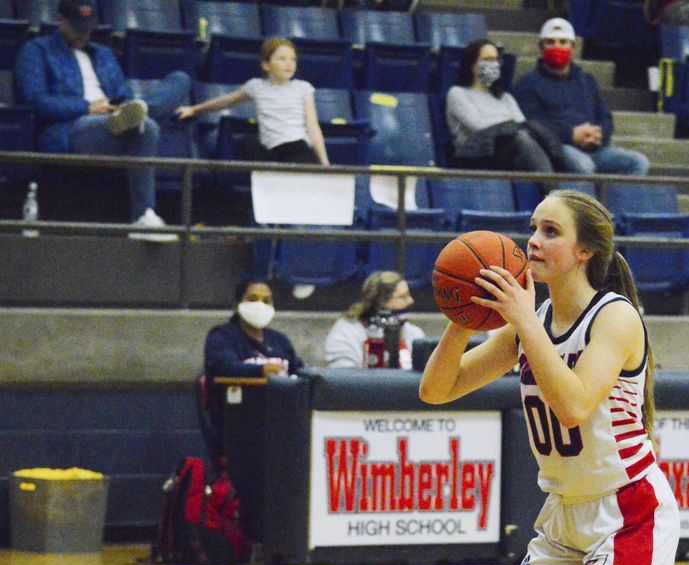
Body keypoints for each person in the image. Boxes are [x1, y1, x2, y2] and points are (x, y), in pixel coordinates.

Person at [419, 189, 680, 565]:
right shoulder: (526, 322)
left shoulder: (614, 318)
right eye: (532, 228)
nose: (533, 241)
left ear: (584, 250)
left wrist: (519, 322)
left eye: (551, 231)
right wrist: (464, 317)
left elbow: (576, 405)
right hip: (565, 513)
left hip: (629, 511)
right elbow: (437, 390)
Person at [13, 0, 191, 241]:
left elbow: (122, 93)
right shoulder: (36, 50)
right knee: (146, 127)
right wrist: (86, 107)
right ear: (60, 21)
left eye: (87, 29)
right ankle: (143, 217)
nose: (83, 35)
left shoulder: (104, 55)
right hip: (73, 127)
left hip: (114, 120)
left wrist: (120, 108)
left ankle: (142, 111)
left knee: (180, 80)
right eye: (77, 28)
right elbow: (35, 101)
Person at [513, 18, 651, 177]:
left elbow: (605, 117)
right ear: (541, 47)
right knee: (583, 166)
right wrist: (572, 134)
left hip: (594, 148)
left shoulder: (587, 80)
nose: (557, 46)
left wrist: (599, 134)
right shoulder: (527, 84)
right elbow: (534, 125)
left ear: (573, 47)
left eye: (563, 42)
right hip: (558, 148)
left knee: (638, 163)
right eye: (550, 42)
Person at [177, 38, 329, 166]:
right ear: (266, 65)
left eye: (293, 59)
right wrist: (195, 109)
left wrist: (325, 163)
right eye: (282, 59)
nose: (289, 63)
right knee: (248, 142)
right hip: (271, 150)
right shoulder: (256, 86)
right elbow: (226, 101)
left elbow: (313, 128)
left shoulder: (303, 88)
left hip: (297, 148)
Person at [202, 280, 304, 460]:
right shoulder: (222, 336)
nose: (260, 305)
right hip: (239, 429)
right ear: (237, 304)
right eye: (253, 299)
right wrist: (261, 371)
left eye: (267, 301)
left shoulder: (279, 341)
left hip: (281, 424)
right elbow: (224, 367)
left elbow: (301, 371)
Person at [445, 39, 559, 174]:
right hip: (475, 155)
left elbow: (522, 124)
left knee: (534, 139)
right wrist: (506, 120)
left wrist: (506, 123)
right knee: (521, 138)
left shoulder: (505, 97)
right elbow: (477, 125)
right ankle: (553, 188)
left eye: (496, 60)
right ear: (472, 64)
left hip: (508, 153)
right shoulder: (458, 93)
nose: (493, 64)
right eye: (487, 59)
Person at [324, 270, 425, 369]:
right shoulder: (345, 332)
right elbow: (344, 378)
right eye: (403, 297)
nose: (410, 301)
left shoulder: (414, 333)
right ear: (381, 302)